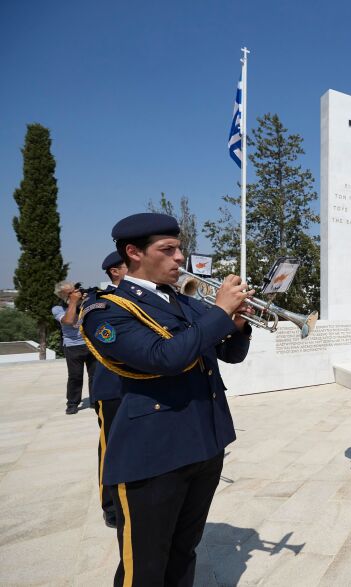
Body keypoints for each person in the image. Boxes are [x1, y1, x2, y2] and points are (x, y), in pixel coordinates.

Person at [79, 213, 253, 587]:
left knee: (183, 552)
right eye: (168, 249)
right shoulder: (107, 310)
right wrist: (220, 312)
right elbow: (164, 358)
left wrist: (237, 324)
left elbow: (230, 355)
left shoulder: (185, 303)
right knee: (144, 567)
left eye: (179, 248)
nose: (179, 257)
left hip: (205, 444)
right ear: (133, 253)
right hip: (153, 456)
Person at [89, 251, 128, 528]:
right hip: (112, 387)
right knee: (111, 447)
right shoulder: (100, 303)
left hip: (141, 387)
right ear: (115, 271)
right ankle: (110, 505)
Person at [52, 281, 97, 414]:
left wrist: (88, 299)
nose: (75, 293)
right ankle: (72, 403)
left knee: (95, 375)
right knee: (75, 376)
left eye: (75, 290)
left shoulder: (85, 302)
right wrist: (73, 302)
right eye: (70, 293)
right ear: (62, 295)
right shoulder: (57, 308)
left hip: (90, 343)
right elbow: (69, 321)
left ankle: (95, 400)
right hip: (72, 346)